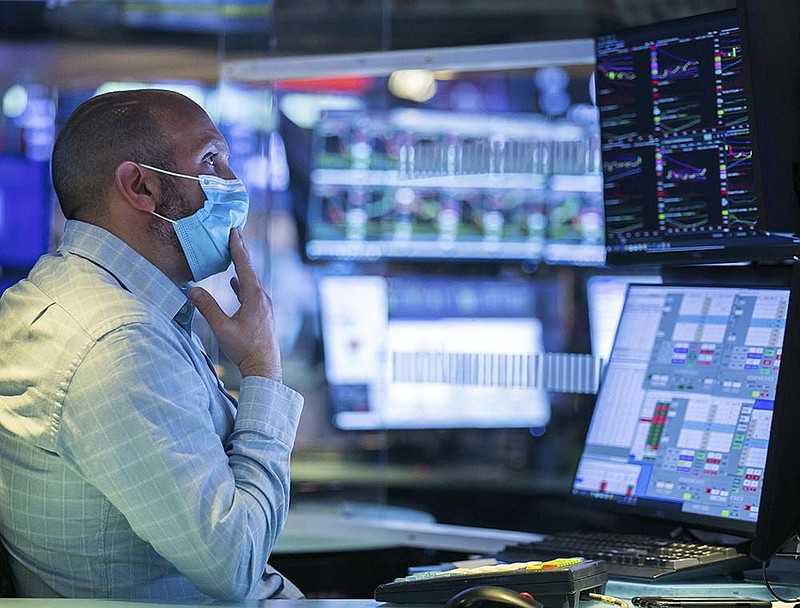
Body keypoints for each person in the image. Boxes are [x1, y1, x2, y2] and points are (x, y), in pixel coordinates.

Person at [0, 89, 304, 600]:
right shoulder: (117, 345)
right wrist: (262, 369)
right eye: (211, 161)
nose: (233, 184)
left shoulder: (57, 295)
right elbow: (235, 564)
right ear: (140, 185)